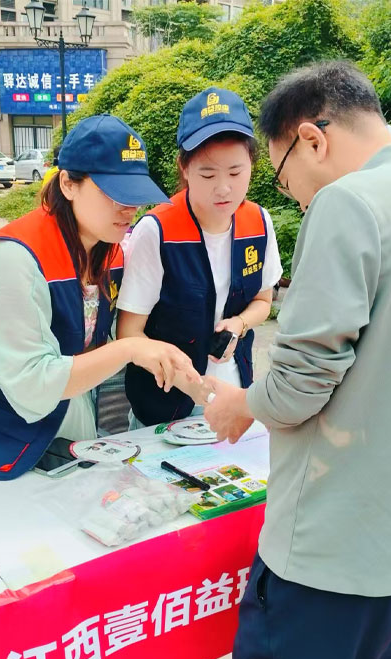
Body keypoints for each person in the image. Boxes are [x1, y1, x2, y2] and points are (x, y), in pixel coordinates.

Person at [200, 61, 391, 659]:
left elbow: (299, 384)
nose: (295, 198)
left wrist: (244, 403)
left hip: (325, 549)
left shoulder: (348, 202)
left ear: (312, 139)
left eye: (283, 178)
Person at [0, 115, 199, 480]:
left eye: (136, 195)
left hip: (69, 433)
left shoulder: (110, 252)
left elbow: (96, 346)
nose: (130, 208)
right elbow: (31, 383)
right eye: (114, 193)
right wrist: (131, 348)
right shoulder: (12, 258)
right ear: (68, 184)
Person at [117, 87, 282, 428]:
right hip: (163, 412)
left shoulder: (259, 222)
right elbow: (129, 333)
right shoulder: (157, 231)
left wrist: (239, 324)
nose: (224, 188)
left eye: (235, 172)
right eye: (207, 174)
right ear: (185, 168)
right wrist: (188, 383)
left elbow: (263, 301)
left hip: (235, 398)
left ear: (252, 164)